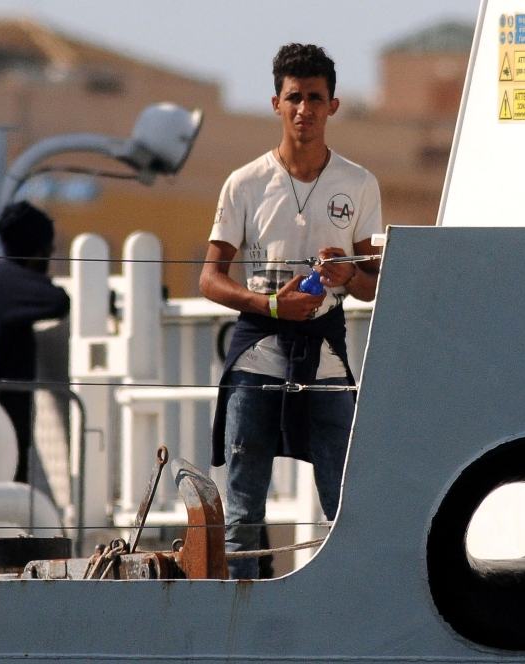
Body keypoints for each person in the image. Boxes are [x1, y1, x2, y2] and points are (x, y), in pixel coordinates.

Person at [199, 43, 383, 579]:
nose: (305, 109)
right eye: (295, 98)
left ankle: (349, 600)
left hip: (324, 352)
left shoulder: (359, 183)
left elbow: (374, 284)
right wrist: (271, 303)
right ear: (276, 104)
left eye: (315, 99)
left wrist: (348, 275)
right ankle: (240, 617)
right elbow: (209, 278)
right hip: (257, 350)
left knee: (343, 493)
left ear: (334, 106)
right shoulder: (245, 183)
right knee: (242, 502)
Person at [0, 201, 70, 483]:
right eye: (48, 249)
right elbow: (57, 301)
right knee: (0, 508)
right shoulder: (4, 280)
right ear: (39, 249)